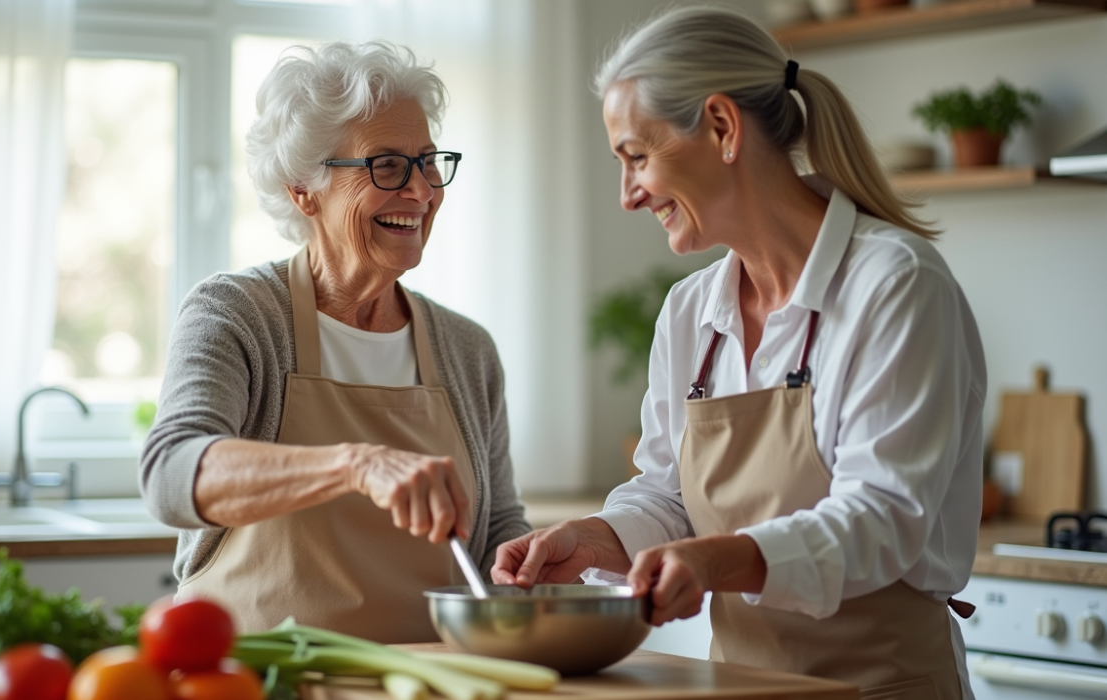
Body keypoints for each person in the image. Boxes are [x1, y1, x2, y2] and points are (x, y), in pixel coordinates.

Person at [492, 7, 985, 698]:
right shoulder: (691, 312)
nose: (628, 195)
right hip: (742, 686)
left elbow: (883, 517)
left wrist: (720, 559)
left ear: (722, 128)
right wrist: (597, 538)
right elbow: (668, 493)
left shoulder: (896, 284)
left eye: (637, 156)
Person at [140, 41, 529, 643]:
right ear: (303, 189)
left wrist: (528, 570)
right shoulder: (236, 314)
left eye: (428, 163)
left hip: (432, 680)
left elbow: (497, 526)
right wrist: (355, 464)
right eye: (387, 166)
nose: (422, 191)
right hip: (263, 681)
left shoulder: (466, 348)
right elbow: (171, 473)